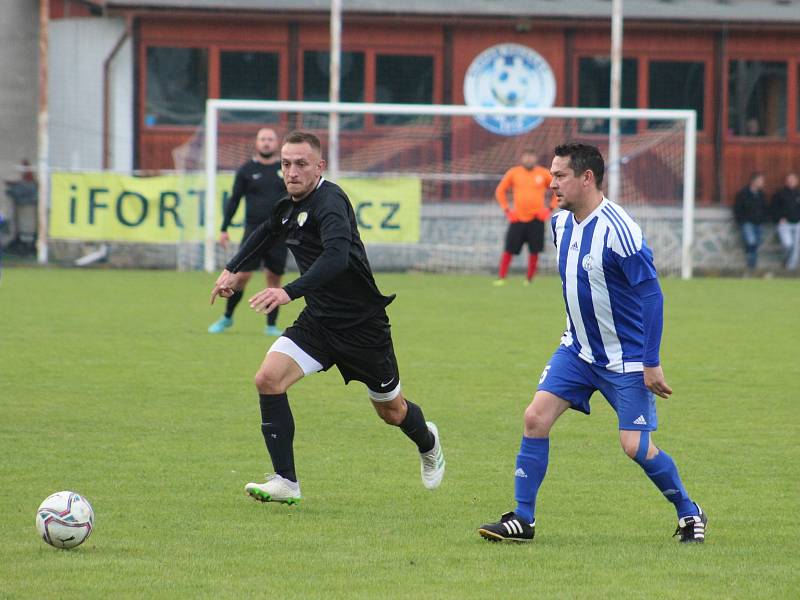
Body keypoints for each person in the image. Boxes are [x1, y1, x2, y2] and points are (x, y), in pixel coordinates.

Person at [478, 143, 706, 544]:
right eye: (551, 175)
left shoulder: (620, 230)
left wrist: (650, 362)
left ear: (587, 177)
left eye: (560, 175)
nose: (552, 184)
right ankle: (523, 519)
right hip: (577, 351)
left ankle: (690, 512)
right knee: (535, 418)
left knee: (634, 446)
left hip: (627, 360)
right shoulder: (559, 223)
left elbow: (652, 296)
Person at [210, 131, 445, 504]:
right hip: (319, 322)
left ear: (320, 166)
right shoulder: (286, 204)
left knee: (392, 411)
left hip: (362, 327)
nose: (291, 171)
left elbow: (335, 258)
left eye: (301, 164)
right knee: (268, 379)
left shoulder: (330, 201)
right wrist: (231, 269)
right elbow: (264, 233)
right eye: (286, 164)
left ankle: (428, 442)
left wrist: (286, 291)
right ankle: (286, 481)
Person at [208, 128, 288, 336]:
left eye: (270, 139)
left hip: (280, 233)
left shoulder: (286, 170)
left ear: (276, 142)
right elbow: (234, 199)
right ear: (257, 143)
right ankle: (227, 317)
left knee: (274, 279)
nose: (266, 143)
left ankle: (271, 325)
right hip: (253, 232)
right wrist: (224, 228)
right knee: (241, 276)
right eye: (263, 139)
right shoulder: (246, 170)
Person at [493, 149, 554, 286]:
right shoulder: (514, 173)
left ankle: (529, 279)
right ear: (522, 158)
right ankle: (502, 277)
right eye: (526, 157)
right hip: (517, 218)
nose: (529, 159)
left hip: (536, 219)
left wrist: (549, 209)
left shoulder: (543, 173)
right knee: (509, 249)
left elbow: (557, 190)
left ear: (535, 158)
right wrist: (507, 211)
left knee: (534, 251)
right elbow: (500, 191)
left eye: (531, 157)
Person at [733, 172, 768, 273]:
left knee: (756, 243)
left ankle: (752, 264)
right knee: (751, 241)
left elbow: (765, 208)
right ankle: (751, 265)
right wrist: (740, 220)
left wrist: (764, 219)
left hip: (758, 223)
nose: (762, 183)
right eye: (760, 181)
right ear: (754, 181)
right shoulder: (743, 193)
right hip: (747, 222)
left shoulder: (761, 195)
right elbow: (737, 208)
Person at [770, 172, 800, 271]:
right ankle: (785, 260)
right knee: (787, 244)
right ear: (786, 181)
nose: (791, 181)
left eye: (793, 179)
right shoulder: (780, 194)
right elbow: (773, 208)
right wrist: (779, 218)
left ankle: (790, 268)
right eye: (789, 179)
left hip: (797, 223)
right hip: (785, 224)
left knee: (796, 247)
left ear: (797, 181)